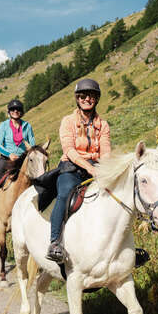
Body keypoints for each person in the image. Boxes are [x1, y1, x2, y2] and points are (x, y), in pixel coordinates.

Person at [47, 78, 111, 263]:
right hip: (72, 166)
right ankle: (55, 242)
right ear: (77, 99)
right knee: (65, 193)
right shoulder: (68, 121)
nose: (87, 99)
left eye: (91, 96)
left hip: (97, 167)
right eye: (83, 96)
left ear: (96, 99)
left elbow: (105, 151)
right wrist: (89, 168)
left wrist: (105, 169)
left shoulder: (103, 125)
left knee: (117, 191)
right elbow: (69, 150)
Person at [0, 99, 35, 221]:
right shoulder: (4, 125)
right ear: (9, 112)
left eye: (18, 110)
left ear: (21, 112)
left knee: (37, 179)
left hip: (23, 160)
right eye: (13, 109)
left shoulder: (27, 126)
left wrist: (30, 152)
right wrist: (9, 154)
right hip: (6, 160)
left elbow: (32, 144)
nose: (15, 111)